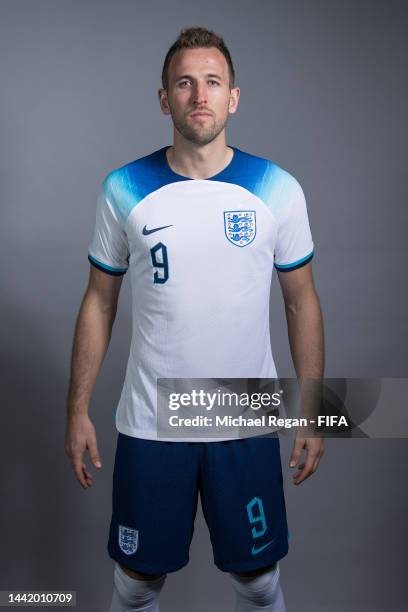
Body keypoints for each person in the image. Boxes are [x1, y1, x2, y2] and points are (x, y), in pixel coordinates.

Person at [65, 26, 325, 612]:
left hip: (245, 419)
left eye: (213, 82)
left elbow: (301, 300)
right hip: (152, 425)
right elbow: (98, 302)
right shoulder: (123, 189)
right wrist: (77, 408)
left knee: (258, 583)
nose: (199, 95)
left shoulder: (276, 190)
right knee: (135, 585)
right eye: (185, 83)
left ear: (234, 97)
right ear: (165, 99)